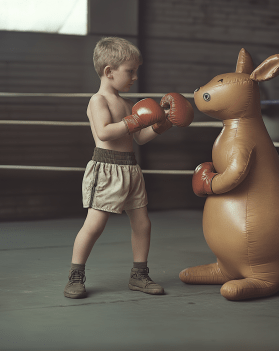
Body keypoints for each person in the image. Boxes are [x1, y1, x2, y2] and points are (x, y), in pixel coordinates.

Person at [64, 37, 193, 299]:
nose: (135, 76)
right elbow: (104, 132)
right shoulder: (97, 101)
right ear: (109, 71)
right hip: (107, 169)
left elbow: (139, 138)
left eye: (136, 70)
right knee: (95, 224)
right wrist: (136, 119)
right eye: (130, 71)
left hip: (131, 169)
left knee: (143, 224)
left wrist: (162, 124)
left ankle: (139, 274)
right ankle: (76, 274)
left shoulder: (125, 103)